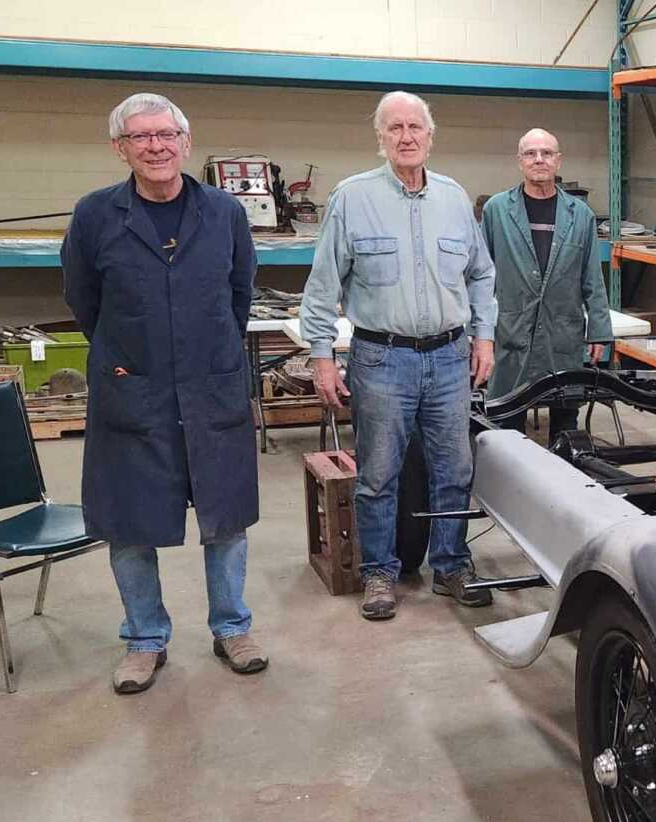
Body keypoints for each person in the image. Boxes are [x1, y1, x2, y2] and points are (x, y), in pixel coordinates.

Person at [61, 92, 267, 694]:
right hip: (133, 390)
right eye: (141, 137)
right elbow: (83, 300)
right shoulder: (96, 214)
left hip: (212, 385)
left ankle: (232, 628)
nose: (156, 147)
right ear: (119, 148)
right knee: (129, 523)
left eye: (166, 135)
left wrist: (207, 350)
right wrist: (133, 355)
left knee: (225, 516)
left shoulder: (224, 212)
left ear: (185, 141)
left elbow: (239, 291)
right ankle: (144, 638)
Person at [300, 91, 497, 622]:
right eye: (395, 128)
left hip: (451, 357)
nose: (406, 136)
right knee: (379, 474)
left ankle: (451, 565)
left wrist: (484, 337)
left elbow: (480, 274)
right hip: (382, 359)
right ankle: (380, 573)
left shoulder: (455, 199)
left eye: (416, 127)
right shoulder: (352, 197)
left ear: (431, 137)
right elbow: (322, 286)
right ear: (381, 138)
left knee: (454, 467)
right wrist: (322, 356)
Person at [480, 128, 612, 434]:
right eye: (530, 153)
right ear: (520, 161)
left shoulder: (580, 214)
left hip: (563, 332)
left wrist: (599, 331)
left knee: (566, 419)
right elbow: (480, 277)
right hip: (512, 331)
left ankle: (563, 474)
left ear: (558, 161)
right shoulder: (496, 211)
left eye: (547, 153)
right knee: (506, 419)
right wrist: (479, 332)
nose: (539, 159)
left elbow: (592, 277)